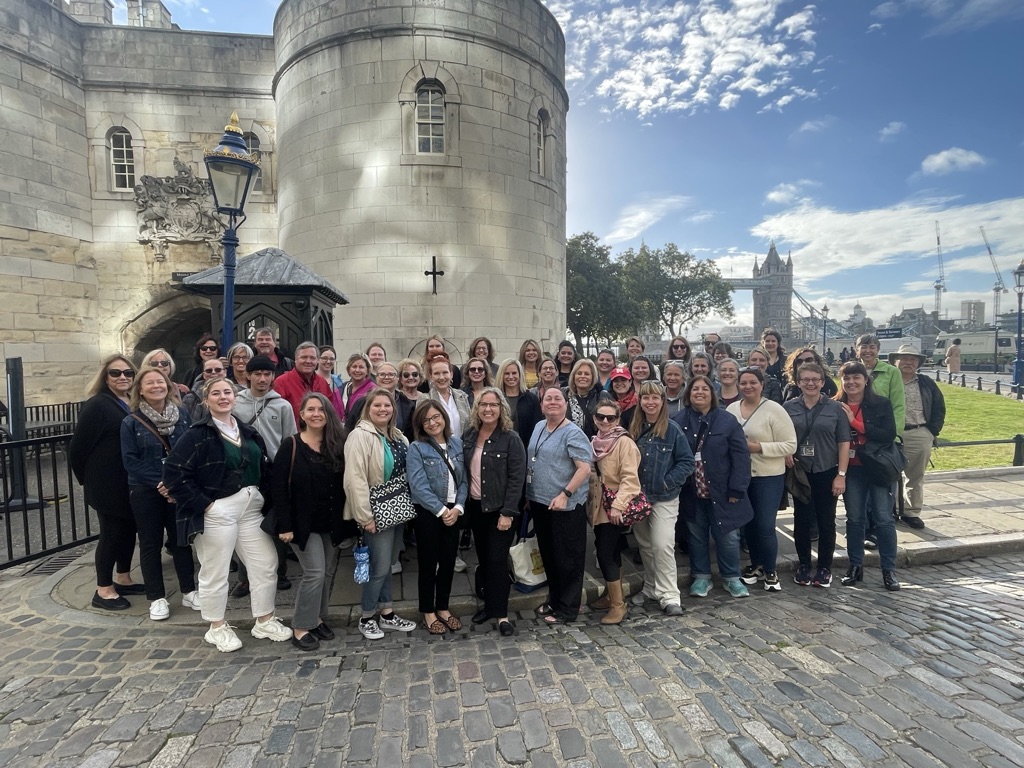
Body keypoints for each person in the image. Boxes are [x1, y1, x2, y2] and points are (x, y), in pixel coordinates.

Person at [163, 377, 292, 652]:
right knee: (215, 570)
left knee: (266, 564)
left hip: (250, 508)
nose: (223, 397)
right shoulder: (197, 434)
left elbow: (263, 466)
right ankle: (216, 626)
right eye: (216, 393)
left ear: (235, 397)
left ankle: (265, 619)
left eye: (228, 392)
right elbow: (174, 473)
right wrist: (205, 505)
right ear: (206, 399)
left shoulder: (247, 431)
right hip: (218, 510)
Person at [120, 367, 198, 621]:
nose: (156, 386)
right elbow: (131, 461)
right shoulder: (131, 422)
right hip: (146, 490)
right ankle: (157, 597)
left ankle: (189, 590)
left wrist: (175, 482)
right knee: (151, 543)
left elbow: (189, 450)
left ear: (168, 385)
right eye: (149, 383)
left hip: (177, 489)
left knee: (181, 541)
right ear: (140, 390)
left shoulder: (183, 415)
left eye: (160, 382)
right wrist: (162, 483)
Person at [270, 393, 346, 651]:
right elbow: (278, 487)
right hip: (302, 524)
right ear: (301, 415)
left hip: (329, 520)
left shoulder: (335, 444)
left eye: (321, 409)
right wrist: (285, 525)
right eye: (310, 409)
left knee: (325, 573)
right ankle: (301, 626)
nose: (316, 414)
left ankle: (317, 618)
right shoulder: (290, 445)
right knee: (314, 572)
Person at [70, 355, 144, 611]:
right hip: (106, 482)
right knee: (111, 533)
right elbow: (78, 449)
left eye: (128, 373)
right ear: (105, 377)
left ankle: (123, 577)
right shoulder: (97, 405)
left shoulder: (130, 402)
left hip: (128, 480)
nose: (122, 377)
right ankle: (103, 589)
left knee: (128, 530)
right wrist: (89, 482)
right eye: (115, 373)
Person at [343, 388, 418, 639]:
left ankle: (387, 614)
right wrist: (365, 516)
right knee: (378, 567)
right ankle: (366, 616)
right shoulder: (359, 436)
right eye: (377, 406)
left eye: (387, 406)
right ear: (368, 408)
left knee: (388, 565)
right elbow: (355, 480)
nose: (383, 409)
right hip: (376, 511)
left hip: (397, 509)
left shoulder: (398, 436)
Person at [673, 376, 751, 598]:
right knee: (696, 536)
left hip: (723, 491)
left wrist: (738, 488)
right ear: (688, 394)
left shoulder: (727, 421)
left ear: (712, 393)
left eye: (704, 389)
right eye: (695, 389)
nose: (700, 392)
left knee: (728, 536)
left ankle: (731, 578)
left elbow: (741, 456)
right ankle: (701, 577)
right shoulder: (678, 420)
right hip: (692, 491)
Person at [231, 354, 297, 598]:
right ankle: (245, 578)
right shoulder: (235, 404)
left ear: (273, 376)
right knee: (243, 525)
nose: (262, 378)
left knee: (275, 522)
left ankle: (279, 572)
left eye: (267, 374)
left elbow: (289, 440)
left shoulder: (282, 406)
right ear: (248, 375)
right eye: (257, 374)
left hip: (272, 472)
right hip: (243, 472)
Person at [463, 388, 526, 636]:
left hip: (500, 511)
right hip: (476, 509)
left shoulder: (511, 438)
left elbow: (517, 478)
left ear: (502, 409)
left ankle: (501, 615)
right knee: (484, 560)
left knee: (498, 561)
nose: (488, 409)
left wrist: (509, 512)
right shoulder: (469, 435)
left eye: (494, 405)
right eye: (483, 404)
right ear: (477, 409)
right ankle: (489, 606)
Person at [527, 387, 593, 625]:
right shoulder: (539, 427)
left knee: (568, 559)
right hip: (541, 502)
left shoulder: (573, 433)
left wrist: (566, 493)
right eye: (548, 399)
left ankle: (568, 608)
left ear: (565, 404)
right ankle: (555, 600)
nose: (552, 402)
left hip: (565, 505)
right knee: (550, 556)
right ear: (542, 404)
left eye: (558, 399)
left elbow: (584, 468)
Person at [728, 367, 797, 592]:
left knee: (765, 526)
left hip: (768, 477)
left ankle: (770, 570)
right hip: (740, 477)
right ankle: (756, 564)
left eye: (753, 383)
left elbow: (790, 445)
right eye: (744, 383)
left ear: (761, 385)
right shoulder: (731, 409)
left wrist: (758, 448)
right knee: (747, 524)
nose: (748, 387)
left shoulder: (774, 410)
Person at [628, 381, 695, 613]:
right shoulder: (634, 428)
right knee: (645, 546)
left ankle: (669, 595)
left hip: (664, 497)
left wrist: (667, 481)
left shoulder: (673, 430)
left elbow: (687, 462)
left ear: (662, 401)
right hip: (638, 497)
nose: (650, 402)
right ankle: (650, 586)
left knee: (662, 544)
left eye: (655, 398)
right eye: (646, 398)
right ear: (640, 401)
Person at [783, 361, 851, 588]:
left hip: (826, 470)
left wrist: (841, 474)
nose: (810, 383)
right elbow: (784, 437)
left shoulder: (835, 409)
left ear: (823, 382)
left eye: (815, 379)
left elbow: (844, 442)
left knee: (826, 521)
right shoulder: (789, 407)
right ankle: (803, 564)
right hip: (801, 471)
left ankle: (824, 567)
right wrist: (786, 453)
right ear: (798, 382)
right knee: (801, 520)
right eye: (806, 380)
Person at [835, 362, 901, 591]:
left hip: (877, 467)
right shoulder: (836, 405)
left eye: (856, 377)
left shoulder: (880, 403)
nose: (851, 382)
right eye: (847, 378)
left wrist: (855, 423)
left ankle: (888, 569)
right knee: (854, 519)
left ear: (865, 380)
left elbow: (888, 434)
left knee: (883, 518)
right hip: (852, 469)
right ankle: (855, 565)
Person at [407, 400, 469, 634]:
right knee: (428, 563)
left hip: (454, 511)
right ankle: (428, 611)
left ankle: (443, 607)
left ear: (443, 417)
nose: (432, 423)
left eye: (436, 417)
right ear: (420, 425)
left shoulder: (457, 444)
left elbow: (463, 480)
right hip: (429, 513)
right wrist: (442, 511)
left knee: (448, 562)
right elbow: (418, 485)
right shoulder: (417, 448)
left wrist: (459, 507)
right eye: (426, 420)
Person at [589, 399, 641, 624]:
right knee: (611, 550)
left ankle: (618, 606)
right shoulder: (595, 442)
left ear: (618, 420)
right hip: (599, 504)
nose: (605, 421)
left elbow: (631, 479)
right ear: (594, 418)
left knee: (605, 552)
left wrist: (619, 506)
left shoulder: (624, 443)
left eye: (610, 417)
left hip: (614, 505)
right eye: (600, 417)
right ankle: (611, 594)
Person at [890, 344, 945, 530]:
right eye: (904, 358)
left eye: (913, 359)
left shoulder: (926, 382)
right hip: (892, 433)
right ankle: (890, 510)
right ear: (895, 361)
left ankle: (911, 512)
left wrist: (931, 432)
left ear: (918, 363)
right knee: (888, 474)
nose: (908, 362)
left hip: (919, 432)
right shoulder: (889, 380)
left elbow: (939, 407)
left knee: (915, 476)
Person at [273, 341, 332, 426]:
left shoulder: (322, 382)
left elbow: (329, 412)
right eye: (304, 357)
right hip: (293, 436)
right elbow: (276, 416)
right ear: (296, 360)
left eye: (312, 358)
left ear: (317, 361)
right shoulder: (281, 383)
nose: (308, 361)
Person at [496, 358, 543, 449]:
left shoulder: (531, 399)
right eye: (507, 373)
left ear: (520, 375)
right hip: (498, 448)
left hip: (524, 448)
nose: (510, 377)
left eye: (514, 373)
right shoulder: (495, 398)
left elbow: (537, 427)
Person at [426, 353, 470, 438]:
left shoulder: (462, 396)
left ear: (451, 374)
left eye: (445, 372)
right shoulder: (425, 399)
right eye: (437, 373)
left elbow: (469, 425)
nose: (441, 377)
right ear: (431, 376)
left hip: (462, 448)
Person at [181, 357, 228, 422]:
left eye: (218, 370)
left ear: (225, 372)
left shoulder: (237, 394)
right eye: (209, 371)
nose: (213, 372)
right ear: (203, 374)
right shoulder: (190, 398)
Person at [564, 358, 601, 438]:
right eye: (579, 373)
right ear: (573, 376)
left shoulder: (600, 397)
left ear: (593, 377)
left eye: (587, 374)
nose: (582, 376)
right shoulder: (563, 395)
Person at [339, 352, 375, 420]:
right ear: (349, 370)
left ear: (367, 371)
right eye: (354, 366)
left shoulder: (373, 390)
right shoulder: (341, 389)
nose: (357, 370)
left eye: (361, 367)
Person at [395, 359, 424, 441]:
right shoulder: (396, 397)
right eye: (406, 375)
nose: (411, 377)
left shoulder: (425, 397)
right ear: (400, 378)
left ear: (420, 376)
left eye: (415, 374)